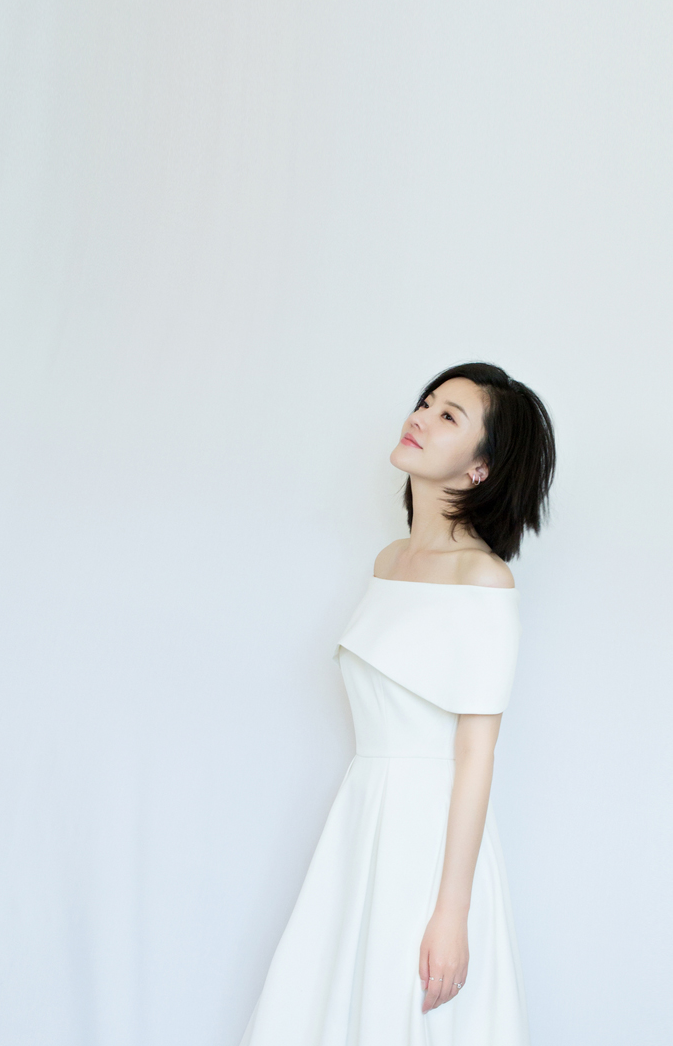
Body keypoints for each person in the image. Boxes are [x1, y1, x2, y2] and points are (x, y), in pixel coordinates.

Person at [238, 361, 556, 1046]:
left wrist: (451, 913)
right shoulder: (387, 563)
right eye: (426, 403)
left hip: (429, 838)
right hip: (360, 818)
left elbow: (476, 754)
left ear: (479, 469)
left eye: (448, 416)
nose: (420, 417)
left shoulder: (484, 579)